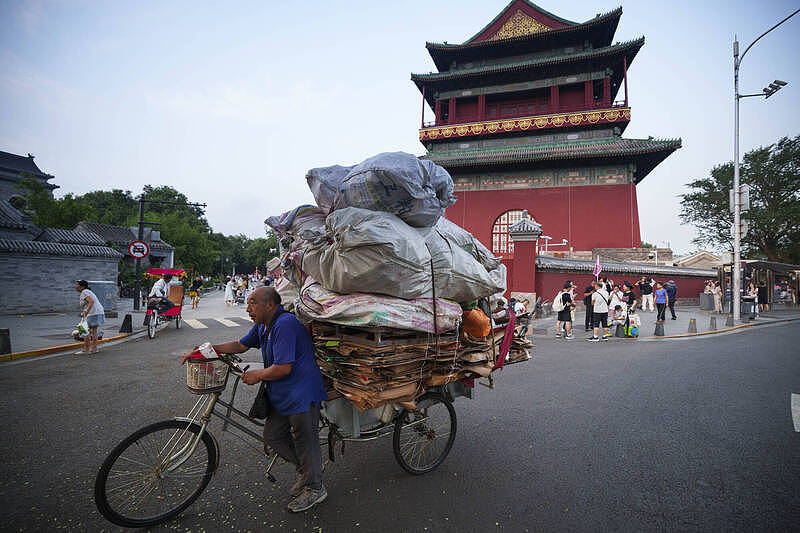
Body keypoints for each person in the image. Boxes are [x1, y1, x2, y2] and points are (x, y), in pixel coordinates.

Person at [212, 287, 328, 513]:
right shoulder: (263, 326)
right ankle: (309, 470)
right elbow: (241, 345)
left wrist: (257, 375)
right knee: (273, 436)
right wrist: (210, 349)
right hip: (282, 393)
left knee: (306, 441)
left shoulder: (284, 324)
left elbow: (283, 368)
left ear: (270, 305)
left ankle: (315, 487)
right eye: (248, 303)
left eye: (253, 303)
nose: (248, 308)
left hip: (301, 393)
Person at [75, 280, 104, 354]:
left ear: (82, 286)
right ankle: (94, 349)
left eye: (77, 284)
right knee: (94, 331)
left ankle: (86, 349)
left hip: (92, 313)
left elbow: (91, 301)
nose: (75, 286)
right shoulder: (88, 291)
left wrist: (85, 313)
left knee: (85, 331)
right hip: (98, 312)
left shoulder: (84, 292)